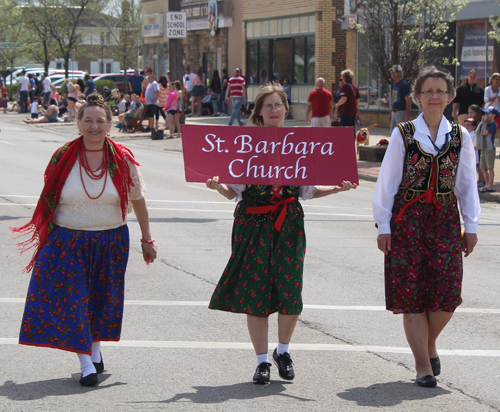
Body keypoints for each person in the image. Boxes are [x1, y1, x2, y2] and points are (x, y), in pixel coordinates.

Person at [206, 82, 357, 385]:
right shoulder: (246, 145)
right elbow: (230, 192)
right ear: (259, 113)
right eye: (268, 106)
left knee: (290, 290)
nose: (275, 110)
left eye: (279, 105)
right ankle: (262, 361)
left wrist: (338, 188)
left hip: (288, 223)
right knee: (256, 292)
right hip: (252, 224)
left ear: (286, 109)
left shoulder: (299, 145)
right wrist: (216, 184)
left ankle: (283, 351)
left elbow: (308, 191)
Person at [13, 93, 157, 387]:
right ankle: (85, 362)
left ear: (110, 125)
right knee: (74, 301)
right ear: (78, 124)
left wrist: (147, 238)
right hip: (68, 241)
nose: (94, 126)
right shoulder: (62, 156)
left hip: (110, 240)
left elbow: (139, 201)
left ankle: (95, 349)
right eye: (88, 120)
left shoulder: (122, 159)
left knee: (100, 300)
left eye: (100, 121)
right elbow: (50, 200)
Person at [373, 66, 480, 388]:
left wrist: (471, 226)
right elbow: (387, 182)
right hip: (407, 221)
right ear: (418, 97)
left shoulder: (461, 136)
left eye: (441, 91)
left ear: (450, 97)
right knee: (412, 294)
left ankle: (429, 344)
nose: (435, 96)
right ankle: (423, 365)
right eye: (428, 91)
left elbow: (467, 186)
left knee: (447, 293)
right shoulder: (403, 133)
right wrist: (383, 225)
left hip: (445, 220)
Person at [476, 106, 498, 193]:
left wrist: (484, 123)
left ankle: (490, 185)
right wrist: (483, 122)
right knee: (482, 167)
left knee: (490, 168)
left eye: (488, 113)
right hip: (483, 148)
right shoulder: (484, 123)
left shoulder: (493, 125)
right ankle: (487, 183)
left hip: (489, 148)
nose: (485, 115)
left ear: (493, 115)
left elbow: (485, 132)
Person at [387, 65, 411, 131]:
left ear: (399, 73)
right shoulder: (393, 85)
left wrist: (407, 115)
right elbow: (393, 100)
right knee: (392, 132)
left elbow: (408, 100)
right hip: (394, 111)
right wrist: (390, 113)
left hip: (401, 111)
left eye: (394, 71)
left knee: (401, 132)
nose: (392, 73)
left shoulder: (404, 85)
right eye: (391, 71)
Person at [468, 104, 486, 187]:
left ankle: (482, 180)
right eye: (469, 113)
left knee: (480, 165)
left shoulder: (479, 123)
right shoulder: (474, 121)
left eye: (471, 112)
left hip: (479, 146)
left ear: (476, 113)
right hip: (477, 146)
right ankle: (479, 179)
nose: (469, 114)